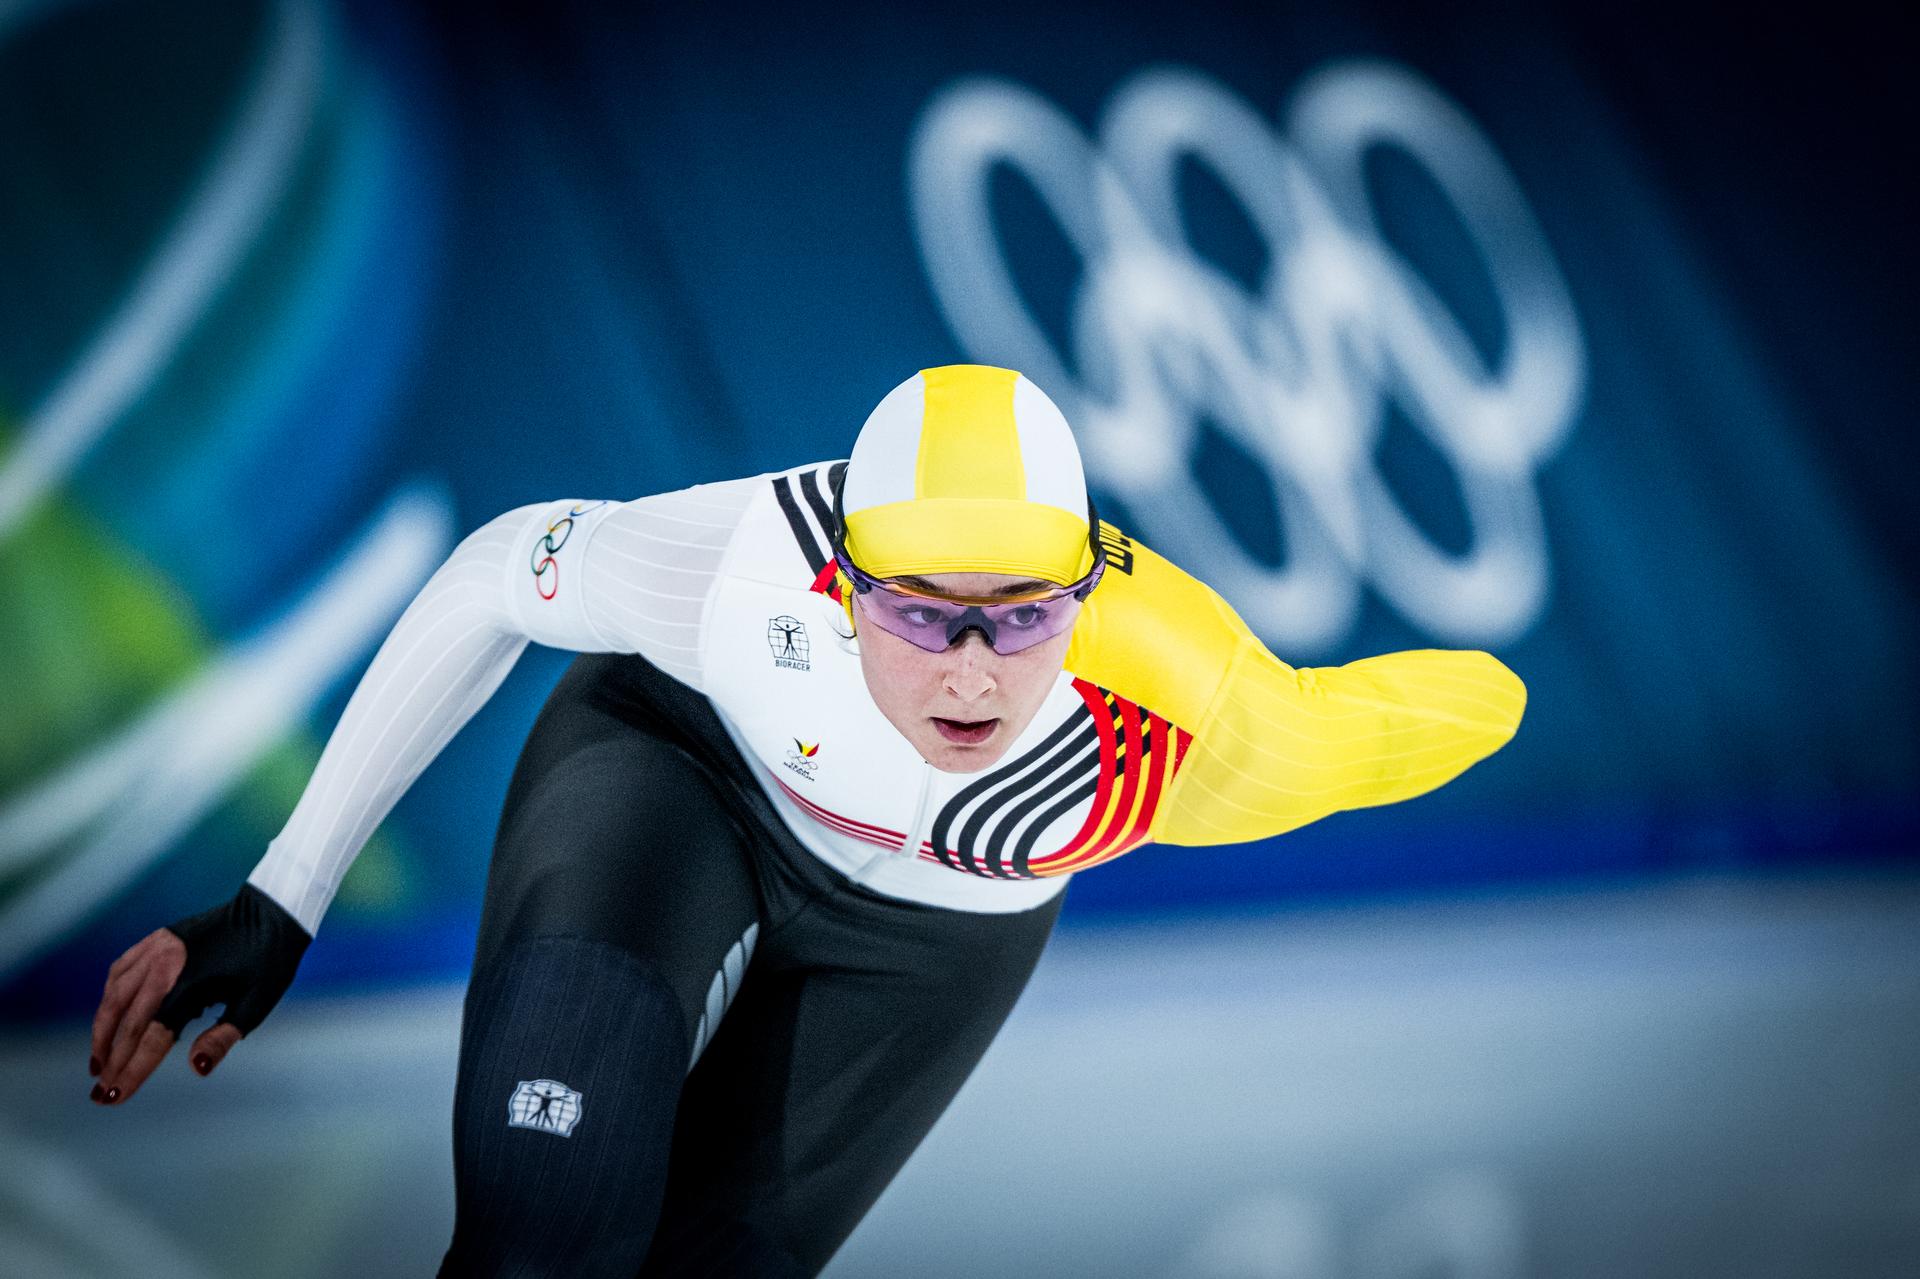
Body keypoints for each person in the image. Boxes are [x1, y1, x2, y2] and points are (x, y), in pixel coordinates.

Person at [86, 364, 1527, 1275]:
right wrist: (284, 895)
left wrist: (1500, 693)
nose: (972, 671)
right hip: (680, 773)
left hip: (936, 931)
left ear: (1088, 599)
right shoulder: (738, 569)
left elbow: (1379, 731)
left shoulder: (1174, 715)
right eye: (922, 613)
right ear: (842, 585)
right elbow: (485, 578)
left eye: (1024, 618)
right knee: (549, 1224)